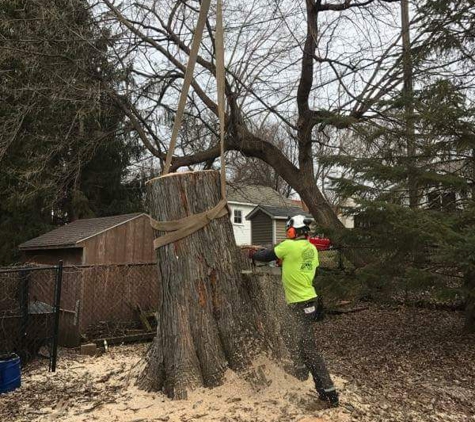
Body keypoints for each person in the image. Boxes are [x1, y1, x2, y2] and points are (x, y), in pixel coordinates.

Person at [249, 215, 339, 408]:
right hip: (310, 300)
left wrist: (251, 254)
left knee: (308, 347)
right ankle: (300, 370)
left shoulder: (289, 246)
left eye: (288, 229)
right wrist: (288, 263)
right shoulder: (311, 249)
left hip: (300, 302)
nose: (287, 232)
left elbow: (265, 256)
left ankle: (329, 394)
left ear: (293, 230)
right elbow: (309, 270)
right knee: (292, 335)